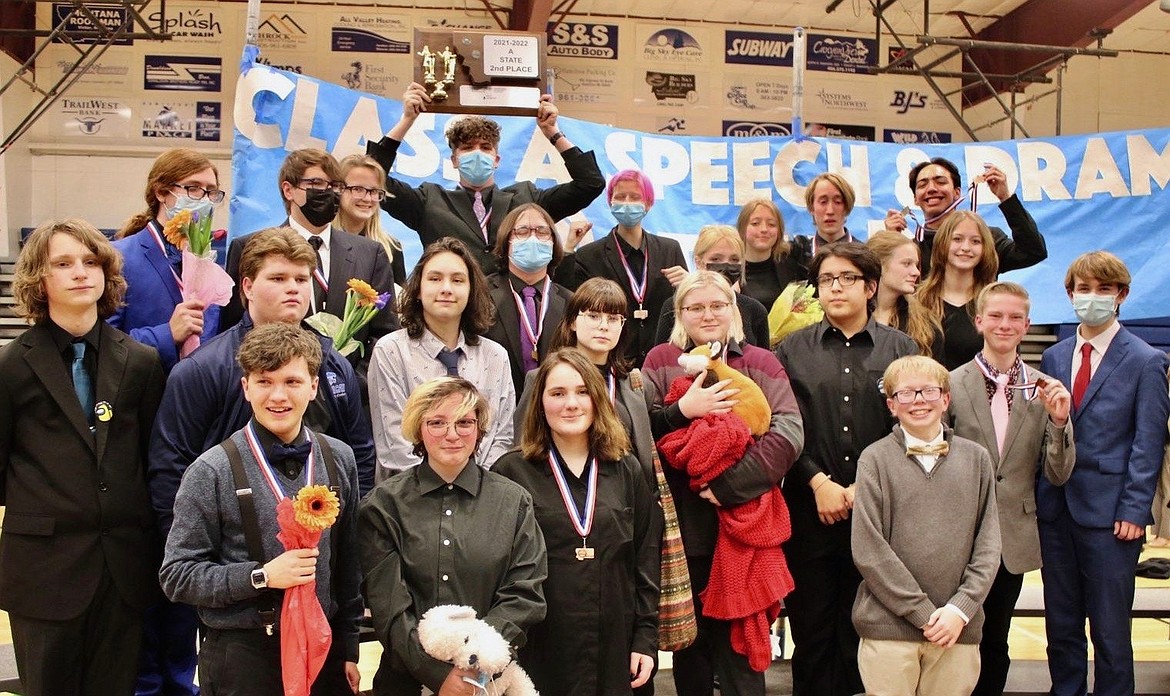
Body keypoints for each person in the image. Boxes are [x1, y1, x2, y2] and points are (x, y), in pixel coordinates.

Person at [0, 219, 165, 695]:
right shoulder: (11, 367)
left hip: (122, 570)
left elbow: (149, 460)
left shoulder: (140, 362)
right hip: (43, 570)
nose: (80, 273)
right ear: (39, 278)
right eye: (64, 263)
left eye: (91, 262)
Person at [159, 323, 362, 695]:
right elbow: (177, 576)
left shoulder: (339, 459)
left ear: (314, 386)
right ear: (246, 387)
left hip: (324, 645)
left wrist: (349, 646)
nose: (278, 396)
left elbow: (348, 564)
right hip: (244, 653)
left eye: (292, 382)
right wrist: (260, 576)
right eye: (265, 382)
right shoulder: (210, 471)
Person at [150, 227, 377, 530]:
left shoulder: (333, 364)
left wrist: (346, 538)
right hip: (232, 549)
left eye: (301, 279)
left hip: (319, 544)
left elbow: (358, 457)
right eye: (278, 278)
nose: (293, 288)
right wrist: (192, 553)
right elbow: (170, 470)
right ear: (247, 287)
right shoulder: (203, 369)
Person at [643, 270, 804, 696]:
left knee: (740, 651)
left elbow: (789, 432)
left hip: (745, 528)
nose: (708, 314)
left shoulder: (761, 361)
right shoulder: (661, 360)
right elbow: (642, 431)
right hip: (683, 528)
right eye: (695, 307)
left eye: (718, 305)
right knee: (690, 649)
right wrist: (686, 416)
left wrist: (730, 484)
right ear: (680, 315)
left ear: (734, 311)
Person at [773, 242, 917, 696]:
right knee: (812, 637)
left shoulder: (902, 348)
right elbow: (781, 428)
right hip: (810, 513)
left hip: (880, 517)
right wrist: (817, 482)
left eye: (848, 278)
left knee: (872, 640)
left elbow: (914, 426)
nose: (835, 287)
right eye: (827, 279)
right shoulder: (790, 351)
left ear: (871, 286)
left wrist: (863, 489)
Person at [357, 377, 547, 696]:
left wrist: (477, 661)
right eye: (437, 422)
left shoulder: (514, 501)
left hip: (489, 681)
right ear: (418, 429)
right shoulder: (383, 506)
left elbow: (525, 592)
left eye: (464, 422)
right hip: (404, 681)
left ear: (479, 429)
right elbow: (389, 606)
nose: (452, 434)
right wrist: (437, 676)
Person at [1038, 251, 1170, 696]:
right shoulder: (1054, 356)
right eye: (1083, 289)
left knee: (1111, 632)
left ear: (1121, 296)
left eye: (1103, 289)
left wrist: (1135, 509)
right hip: (1057, 512)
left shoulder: (1146, 360)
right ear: (1070, 294)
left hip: (1113, 517)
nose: (1091, 297)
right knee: (1062, 626)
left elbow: (1148, 443)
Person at [494, 348, 662, 696]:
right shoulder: (511, 473)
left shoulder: (626, 469)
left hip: (615, 647)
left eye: (582, 391)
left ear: (598, 399)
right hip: (538, 648)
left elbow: (645, 559)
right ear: (540, 403)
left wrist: (645, 639)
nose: (571, 403)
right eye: (557, 393)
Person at [947, 281, 1075, 696]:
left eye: (1015, 317)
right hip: (957, 533)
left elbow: (1058, 473)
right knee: (954, 635)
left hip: (1011, 537)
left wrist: (1058, 423)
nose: (1005, 324)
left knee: (996, 638)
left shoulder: (1045, 388)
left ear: (1027, 325)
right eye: (996, 316)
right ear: (979, 321)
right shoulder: (950, 384)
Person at [851, 355, 1000, 696]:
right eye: (906, 394)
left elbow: (989, 545)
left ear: (946, 399)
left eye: (929, 391)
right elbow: (869, 549)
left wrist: (959, 610)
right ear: (891, 405)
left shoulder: (977, 459)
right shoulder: (874, 459)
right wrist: (921, 613)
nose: (918, 401)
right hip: (888, 629)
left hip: (956, 630)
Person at [366, 82, 605, 276]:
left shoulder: (528, 199)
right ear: (454, 160)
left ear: (497, 159)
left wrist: (552, 132)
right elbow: (371, 179)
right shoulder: (429, 200)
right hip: (453, 314)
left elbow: (590, 183)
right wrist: (407, 120)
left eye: (485, 147)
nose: (477, 153)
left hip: (510, 317)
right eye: (468, 148)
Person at [220, 149, 397, 372]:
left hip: (346, 393)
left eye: (335, 186)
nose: (327, 192)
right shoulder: (248, 247)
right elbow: (235, 327)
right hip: (272, 385)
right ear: (288, 190)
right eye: (316, 183)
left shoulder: (370, 253)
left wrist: (349, 382)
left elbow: (384, 335)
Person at [368, 238, 514, 481]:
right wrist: (443, 487)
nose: (446, 288)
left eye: (457, 280)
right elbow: (394, 445)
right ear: (417, 289)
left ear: (471, 291)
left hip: (481, 491)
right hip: (411, 495)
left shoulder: (495, 356)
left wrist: (473, 486)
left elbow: (501, 437)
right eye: (435, 279)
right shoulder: (391, 351)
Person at [515, 278, 654, 475]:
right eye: (594, 316)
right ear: (572, 322)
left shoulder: (636, 384)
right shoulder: (541, 379)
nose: (604, 326)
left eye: (613, 318)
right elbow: (524, 445)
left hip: (623, 497)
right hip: (559, 493)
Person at [560, 169, 689, 365]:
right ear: (610, 202)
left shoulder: (669, 249)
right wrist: (568, 249)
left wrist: (688, 284)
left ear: (648, 203)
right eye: (620, 196)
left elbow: (685, 306)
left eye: (635, 197)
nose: (627, 202)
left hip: (661, 359)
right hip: (610, 360)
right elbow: (569, 302)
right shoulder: (590, 254)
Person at [111, 147, 223, 374]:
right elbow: (101, 342)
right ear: (161, 192)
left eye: (211, 191)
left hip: (201, 397)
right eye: (193, 188)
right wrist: (167, 334)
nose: (204, 199)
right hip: (143, 395)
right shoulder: (118, 257)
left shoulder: (211, 265)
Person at [883, 157, 1046, 277]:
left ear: (957, 193)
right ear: (915, 199)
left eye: (940, 182)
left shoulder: (986, 240)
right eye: (922, 185)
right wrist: (890, 241)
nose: (931, 188)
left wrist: (1006, 198)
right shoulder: (912, 250)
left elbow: (1033, 251)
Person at [483, 203, 573, 400]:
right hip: (495, 410)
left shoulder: (571, 302)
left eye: (542, 232)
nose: (533, 238)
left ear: (553, 242)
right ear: (506, 241)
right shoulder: (480, 294)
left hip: (555, 413)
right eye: (522, 231)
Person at [654, 225, 770, 349]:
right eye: (716, 259)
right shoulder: (673, 306)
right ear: (699, 262)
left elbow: (764, 362)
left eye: (734, 259)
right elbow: (660, 358)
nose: (726, 265)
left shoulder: (755, 310)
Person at [916, 210, 999, 370]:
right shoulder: (918, 301)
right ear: (942, 243)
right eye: (957, 239)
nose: (966, 247)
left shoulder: (993, 303)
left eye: (975, 241)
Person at [866, 231, 943, 359]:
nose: (916, 272)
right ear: (879, 265)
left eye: (916, 265)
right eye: (907, 264)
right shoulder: (849, 316)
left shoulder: (926, 325)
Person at [335, 153, 408, 286]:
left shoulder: (391, 248)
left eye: (374, 191)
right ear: (338, 190)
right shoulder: (320, 241)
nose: (367, 198)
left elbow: (399, 305)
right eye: (357, 189)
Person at [736, 197, 805, 310]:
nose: (764, 229)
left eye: (771, 224)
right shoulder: (731, 271)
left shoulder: (792, 267)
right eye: (755, 223)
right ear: (742, 228)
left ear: (779, 232)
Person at [792, 173, 859, 258]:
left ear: (847, 207)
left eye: (838, 202)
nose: (830, 211)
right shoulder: (795, 257)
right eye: (823, 202)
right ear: (811, 207)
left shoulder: (864, 256)